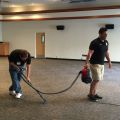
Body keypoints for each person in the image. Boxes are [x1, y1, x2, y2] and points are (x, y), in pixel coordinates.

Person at [85, 27, 112, 102]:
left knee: (98, 80)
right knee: (96, 79)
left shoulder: (106, 42)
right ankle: (91, 94)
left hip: (101, 64)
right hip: (94, 64)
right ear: (100, 33)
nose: (106, 35)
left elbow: (106, 52)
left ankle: (94, 93)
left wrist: (109, 61)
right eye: (104, 34)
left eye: (106, 33)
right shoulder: (94, 42)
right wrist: (86, 63)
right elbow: (89, 53)